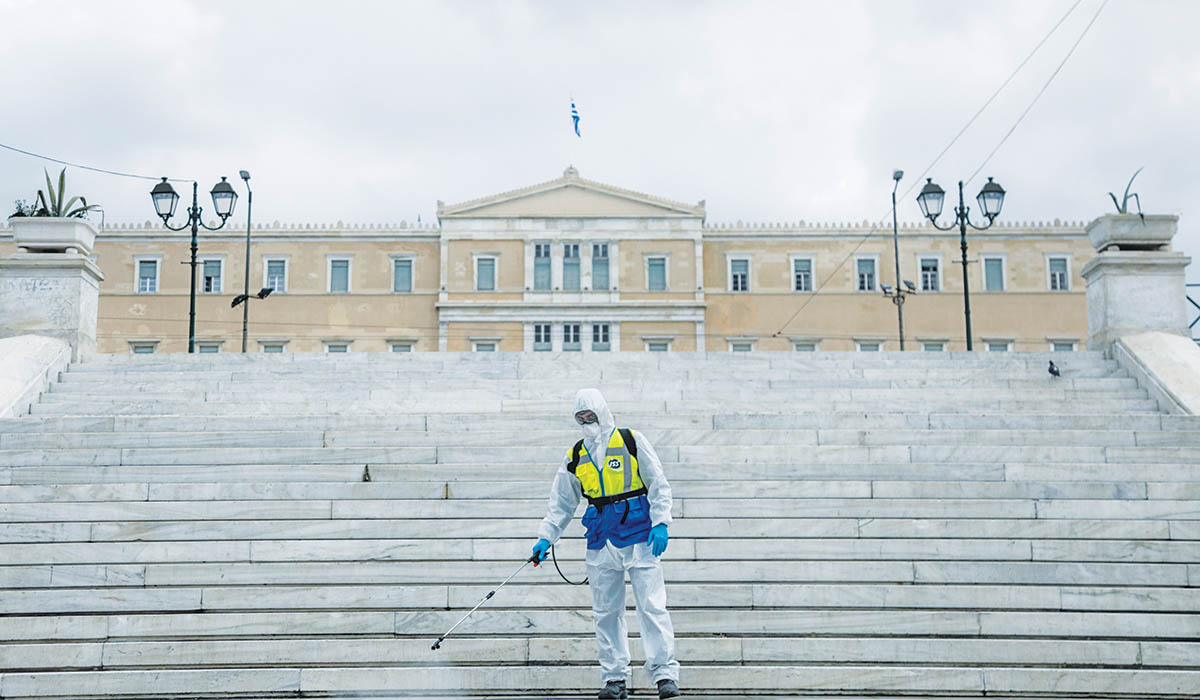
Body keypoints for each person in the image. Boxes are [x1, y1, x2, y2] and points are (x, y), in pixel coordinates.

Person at [532, 388, 681, 699]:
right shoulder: (576, 455)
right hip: (601, 537)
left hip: (639, 533)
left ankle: (664, 674)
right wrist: (547, 536)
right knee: (605, 611)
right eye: (581, 418)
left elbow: (658, 483)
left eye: (591, 415)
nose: (588, 422)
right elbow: (562, 501)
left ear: (603, 412)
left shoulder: (630, 441)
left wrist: (662, 523)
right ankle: (615, 678)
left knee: (652, 606)